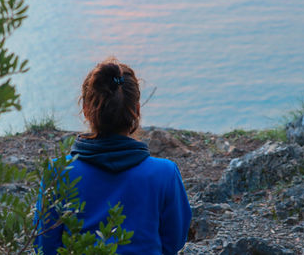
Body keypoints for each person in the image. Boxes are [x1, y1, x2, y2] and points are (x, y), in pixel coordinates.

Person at [34, 57, 192, 254]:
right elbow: (174, 242)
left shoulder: (58, 173)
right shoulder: (165, 173)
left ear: (86, 111)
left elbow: (45, 246)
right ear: (136, 111)